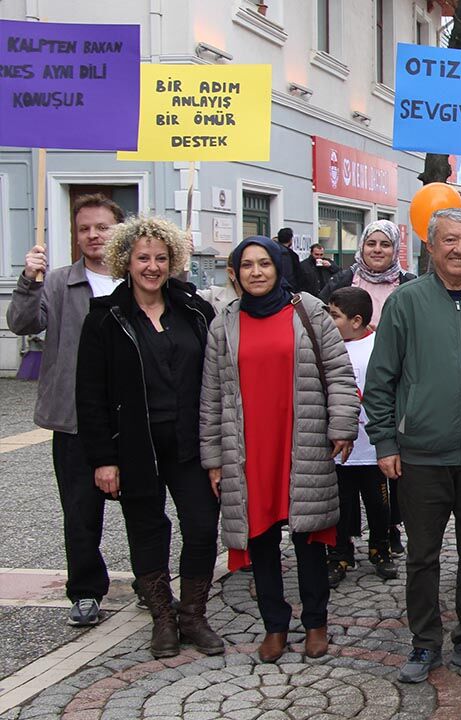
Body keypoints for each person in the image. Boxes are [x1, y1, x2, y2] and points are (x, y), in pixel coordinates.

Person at [363, 208, 461, 681]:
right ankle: (423, 642)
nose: (460, 249)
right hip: (421, 455)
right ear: (430, 247)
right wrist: (386, 441)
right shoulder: (405, 303)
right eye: (450, 240)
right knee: (423, 554)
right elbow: (381, 380)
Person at [200, 236, 359, 663]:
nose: (256, 272)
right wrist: (213, 457)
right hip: (248, 448)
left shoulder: (307, 310)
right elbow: (212, 395)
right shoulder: (224, 324)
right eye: (247, 265)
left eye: (264, 263)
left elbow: (339, 372)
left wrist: (342, 425)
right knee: (261, 539)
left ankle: (315, 623)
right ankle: (274, 625)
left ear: (278, 268)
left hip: (301, 438)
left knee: (308, 538)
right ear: (235, 272)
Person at [76, 215, 221, 659]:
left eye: (161, 257)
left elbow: (217, 377)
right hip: (136, 444)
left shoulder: (196, 311)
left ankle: (193, 615)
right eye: (143, 258)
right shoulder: (105, 320)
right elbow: (90, 396)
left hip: (190, 440)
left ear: (173, 260)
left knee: (201, 525)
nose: (152, 266)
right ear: (126, 261)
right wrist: (103, 458)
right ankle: (162, 618)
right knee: (147, 530)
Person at [7, 193, 125, 627]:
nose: (93, 236)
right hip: (75, 418)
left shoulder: (140, 277)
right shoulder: (57, 282)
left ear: (119, 230)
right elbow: (22, 324)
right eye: (84, 229)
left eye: (102, 227)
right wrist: (28, 280)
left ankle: (152, 583)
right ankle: (86, 591)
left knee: (145, 509)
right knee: (80, 511)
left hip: (132, 417)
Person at [325, 286, 397, 588]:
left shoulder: (378, 346)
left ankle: (381, 549)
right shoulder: (329, 347)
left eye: (335, 316)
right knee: (339, 505)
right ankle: (339, 553)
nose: (330, 322)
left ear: (356, 321)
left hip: (371, 448)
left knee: (378, 505)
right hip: (339, 449)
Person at [319, 220, 416, 326]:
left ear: (395, 249)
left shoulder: (409, 284)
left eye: (385, 245)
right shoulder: (342, 280)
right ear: (362, 247)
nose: (377, 249)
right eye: (371, 244)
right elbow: (320, 320)